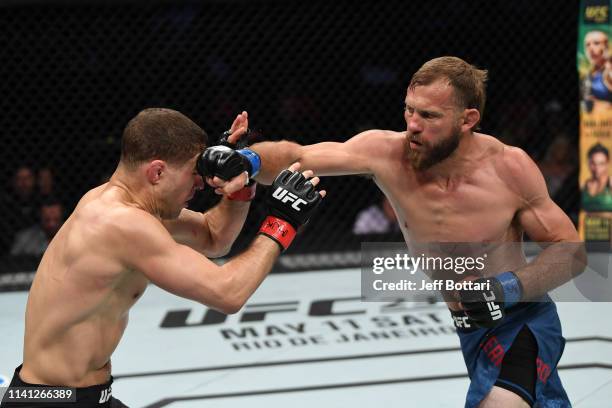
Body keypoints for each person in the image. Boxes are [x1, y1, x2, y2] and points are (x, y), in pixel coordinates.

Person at [202, 57, 585, 407]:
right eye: (409, 110)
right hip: (472, 331)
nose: (413, 125)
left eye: (429, 116)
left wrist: (503, 288)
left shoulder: (509, 168)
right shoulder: (386, 154)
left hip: (523, 320)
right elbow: (296, 155)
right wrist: (247, 160)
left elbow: (571, 252)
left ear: (468, 119)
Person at [0, 108, 324, 408]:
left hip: (79, 397)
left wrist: (240, 184)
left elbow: (214, 236)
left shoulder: (122, 205)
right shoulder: (119, 222)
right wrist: (281, 223)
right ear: (157, 172)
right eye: (192, 173)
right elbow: (228, 293)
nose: (199, 184)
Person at [582, 143, 612, 213]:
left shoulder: (610, 183)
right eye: (593, 163)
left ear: (607, 164)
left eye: (601, 163)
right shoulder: (584, 186)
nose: (597, 168)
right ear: (588, 163)